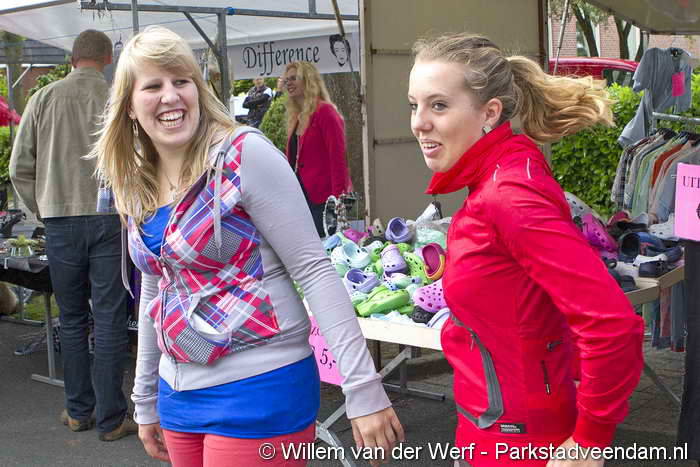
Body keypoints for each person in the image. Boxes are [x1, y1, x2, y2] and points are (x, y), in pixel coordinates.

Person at [91, 26, 403, 467]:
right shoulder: (135, 178)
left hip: (261, 384)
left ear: (198, 89)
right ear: (128, 105)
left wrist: (363, 388)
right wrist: (144, 397)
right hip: (177, 394)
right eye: (153, 86)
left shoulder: (243, 154)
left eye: (181, 81)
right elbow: (155, 289)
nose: (171, 96)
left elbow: (313, 269)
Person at [408, 33, 644, 467]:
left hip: (517, 442)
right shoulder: (501, 177)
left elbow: (611, 326)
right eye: (414, 105)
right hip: (496, 428)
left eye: (438, 105)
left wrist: (589, 442)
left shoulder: (508, 195)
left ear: (489, 113)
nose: (419, 122)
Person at [10, 30, 136, 441]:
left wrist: (41, 208)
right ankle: (112, 418)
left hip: (60, 220)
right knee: (110, 317)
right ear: (107, 58)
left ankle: (79, 410)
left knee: (72, 317)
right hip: (111, 220)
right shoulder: (119, 99)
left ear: (72, 58)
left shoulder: (43, 98)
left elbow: (18, 166)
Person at [283, 61, 352, 237]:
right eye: (286, 80)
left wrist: (338, 199)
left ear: (307, 80)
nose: (288, 83)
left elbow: (338, 158)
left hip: (324, 198)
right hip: (301, 198)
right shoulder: (296, 117)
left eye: (293, 78)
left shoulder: (325, 112)